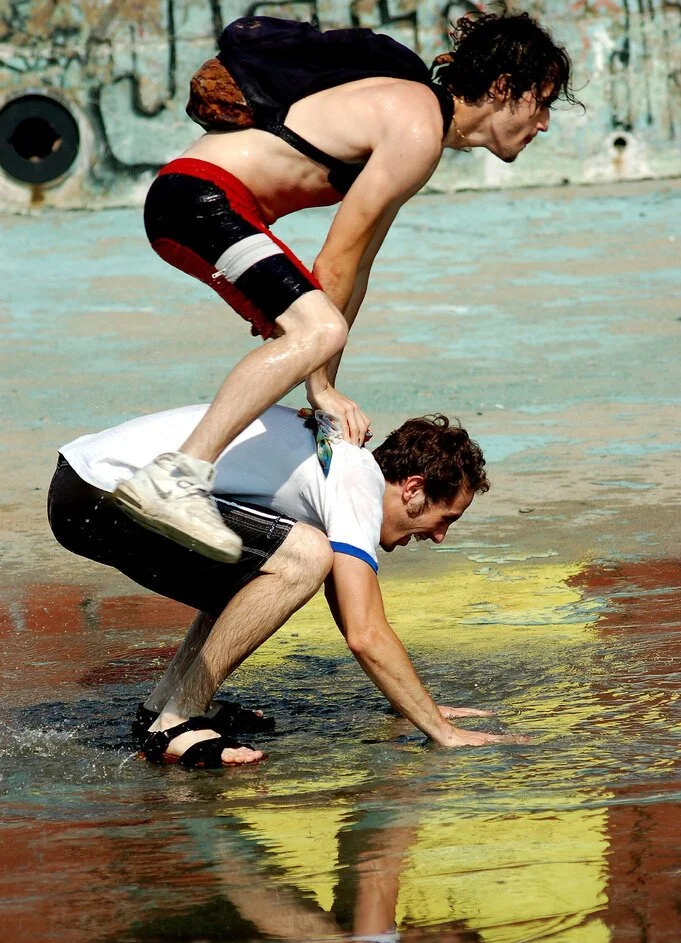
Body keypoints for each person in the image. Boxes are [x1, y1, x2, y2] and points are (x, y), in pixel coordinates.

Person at [112, 11, 576, 564]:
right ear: (504, 89)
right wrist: (321, 387)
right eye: (543, 101)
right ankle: (175, 478)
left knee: (315, 331)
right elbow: (336, 257)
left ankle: (182, 475)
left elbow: (359, 268)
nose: (544, 122)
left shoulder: (418, 123)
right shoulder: (416, 124)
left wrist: (324, 384)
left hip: (204, 205)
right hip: (201, 201)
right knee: (317, 328)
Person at [48, 403, 526, 768]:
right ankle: (178, 722)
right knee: (305, 555)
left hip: (82, 488)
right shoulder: (357, 482)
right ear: (413, 488)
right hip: (104, 489)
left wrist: (415, 708)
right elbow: (365, 633)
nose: (440, 536)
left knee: (272, 565)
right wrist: (441, 731)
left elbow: (351, 614)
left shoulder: (344, 473)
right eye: (447, 519)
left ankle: (160, 709)